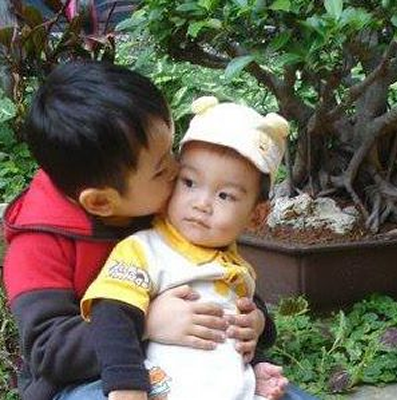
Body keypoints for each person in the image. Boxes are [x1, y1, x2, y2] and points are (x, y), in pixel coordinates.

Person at [2, 62, 273, 400]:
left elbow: (215, 270)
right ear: (101, 202)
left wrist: (256, 320)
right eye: (160, 169)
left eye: (172, 152)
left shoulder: (157, 202)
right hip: (85, 379)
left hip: (186, 364)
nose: (176, 170)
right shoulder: (37, 246)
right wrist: (146, 324)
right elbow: (47, 350)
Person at [80, 96, 319, 400]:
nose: (201, 204)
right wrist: (127, 388)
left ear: (257, 216)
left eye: (224, 196)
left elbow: (229, 332)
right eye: (189, 183)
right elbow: (112, 316)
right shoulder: (145, 250)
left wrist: (257, 337)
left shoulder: (237, 267)